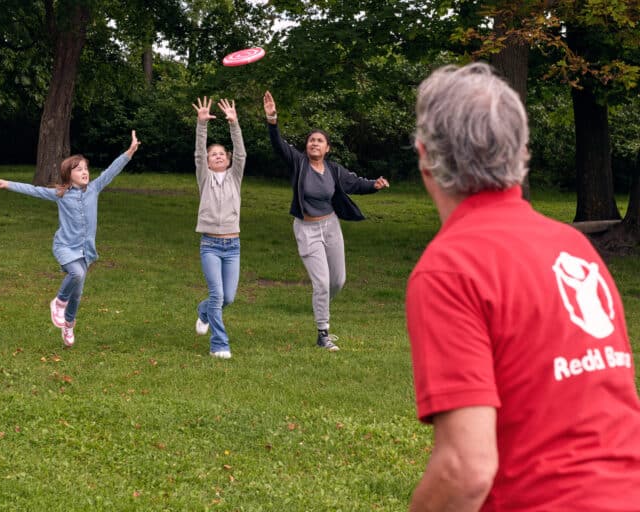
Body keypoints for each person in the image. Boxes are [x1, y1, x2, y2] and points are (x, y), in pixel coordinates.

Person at [406, 62, 640, 511]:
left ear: (424, 155)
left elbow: (465, 469)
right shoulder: (573, 248)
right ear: (523, 152)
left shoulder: (449, 269)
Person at [0, 131, 141, 348]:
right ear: (68, 174)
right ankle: (58, 302)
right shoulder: (60, 193)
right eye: (79, 170)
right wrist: (7, 184)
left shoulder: (94, 189)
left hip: (85, 251)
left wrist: (129, 152)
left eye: (86, 168)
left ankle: (68, 325)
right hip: (65, 247)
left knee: (77, 293)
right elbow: (34, 190)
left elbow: (111, 171)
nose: (85, 172)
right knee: (76, 274)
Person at [262, 91, 389, 352]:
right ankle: (323, 333)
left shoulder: (334, 170)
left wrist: (374, 185)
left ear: (327, 148)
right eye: (311, 140)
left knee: (338, 281)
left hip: (330, 227)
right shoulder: (299, 164)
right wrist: (272, 119)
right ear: (306, 146)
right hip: (307, 229)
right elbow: (278, 145)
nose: (314, 144)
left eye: (320, 141)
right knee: (321, 283)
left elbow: (355, 183)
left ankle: (320, 305)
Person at [192, 97, 246, 359]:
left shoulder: (236, 176)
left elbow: (242, 152)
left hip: (232, 245)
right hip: (210, 245)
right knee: (217, 295)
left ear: (228, 159)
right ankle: (219, 344)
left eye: (221, 154)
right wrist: (202, 124)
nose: (216, 157)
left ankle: (203, 312)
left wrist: (234, 124)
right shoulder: (205, 177)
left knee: (229, 298)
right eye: (213, 155)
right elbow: (199, 152)